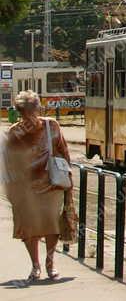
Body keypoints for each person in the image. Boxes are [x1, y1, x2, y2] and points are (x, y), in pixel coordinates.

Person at [0, 90, 74, 282]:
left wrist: (68, 179)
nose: (30, 113)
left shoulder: (52, 126)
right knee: (30, 228)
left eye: (33, 109)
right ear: (20, 111)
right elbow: (9, 163)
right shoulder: (13, 132)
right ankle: (35, 265)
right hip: (26, 188)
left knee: (52, 225)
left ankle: (50, 263)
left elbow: (64, 152)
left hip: (51, 184)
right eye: (26, 110)